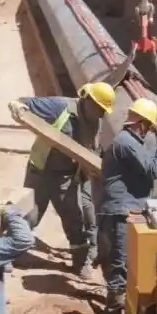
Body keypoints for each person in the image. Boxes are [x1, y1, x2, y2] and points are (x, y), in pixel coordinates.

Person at [97, 97, 157, 310]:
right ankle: (115, 308)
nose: (149, 132)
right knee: (121, 261)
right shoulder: (126, 142)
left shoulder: (133, 143)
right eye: (149, 128)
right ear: (141, 124)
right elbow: (155, 170)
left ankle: (122, 303)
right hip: (120, 210)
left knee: (129, 259)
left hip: (129, 207)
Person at [13, 82, 115, 277]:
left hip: (66, 177)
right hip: (40, 174)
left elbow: (91, 150)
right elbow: (24, 103)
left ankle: (80, 263)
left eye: (104, 111)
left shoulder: (95, 123)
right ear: (88, 101)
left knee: (74, 221)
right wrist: (18, 107)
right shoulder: (60, 107)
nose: (102, 114)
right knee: (30, 216)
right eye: (100, 109)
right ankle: (11, 254)